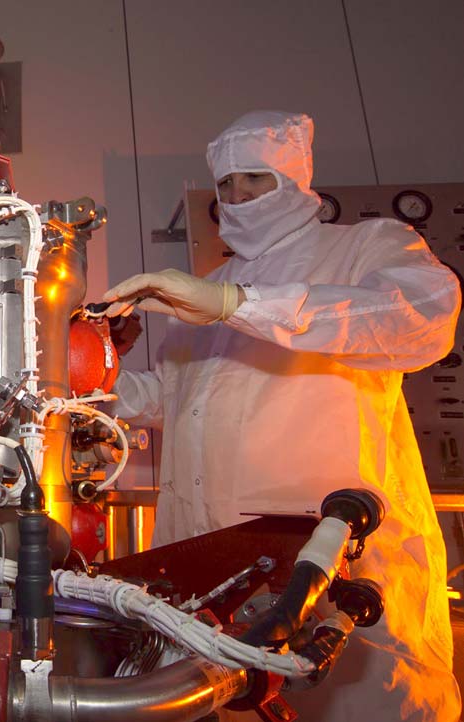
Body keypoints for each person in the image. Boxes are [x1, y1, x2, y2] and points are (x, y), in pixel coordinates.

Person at [103, 111, 461, 721]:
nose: (237, 198)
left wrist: (235, 305)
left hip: (327, 562)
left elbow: (424, 319)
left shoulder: (363, 246)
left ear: (295, 181)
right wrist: (90, 383)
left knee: (347, 695)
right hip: (204, 570)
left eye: (255, 181)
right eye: (226, 188)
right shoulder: (209, 284)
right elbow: (176, 398)